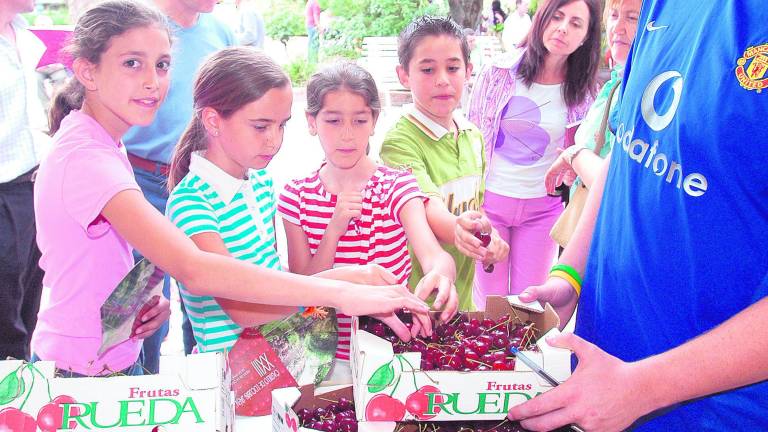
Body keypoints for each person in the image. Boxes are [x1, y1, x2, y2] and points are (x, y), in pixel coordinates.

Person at [32, 0, 431, 378]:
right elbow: (197, 270)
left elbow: (97, 258)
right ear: (87, 71)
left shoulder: (105, 143)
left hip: (111, 353)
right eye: (132, 64)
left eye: (163, 64)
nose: (152, 82)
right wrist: (340, 289)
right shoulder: (88, 159)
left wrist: (131, 305)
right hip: (78, 368)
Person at [507, 0, 768, 430]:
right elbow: (628, 152)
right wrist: (570, 274)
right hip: (598, 384)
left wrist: (642, 386)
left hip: (707, 413)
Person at [278, 61, 458, 366]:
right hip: (325, 360)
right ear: (311, 122)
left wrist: (441, 275)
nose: (347, 135)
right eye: (333, 121)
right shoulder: (296, 195)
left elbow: (434, 255)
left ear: (374, 120)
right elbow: (304, 287)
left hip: (389, 350)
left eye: (359, 121)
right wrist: (333, 230)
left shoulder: (396, 186)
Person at [122, 0, 235, 371]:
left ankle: (203, 394)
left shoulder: (220, 32)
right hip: (139, 187)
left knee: (207, 305)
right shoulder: (139, 30)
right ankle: (145, 392)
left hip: (203, 181)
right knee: (141, 309)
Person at [466, 0, 601, 309]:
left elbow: (582, 156)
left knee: (530, 305)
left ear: (586, 37)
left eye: (576, 23)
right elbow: (473, 139)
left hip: (543, 211)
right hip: (491, 207)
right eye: (557, 16)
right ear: (542, 18)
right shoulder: (498, 72)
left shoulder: (586, 94)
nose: (563, 28)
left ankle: (523, 359)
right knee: (490, 305)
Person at [381, 16, 509, 312]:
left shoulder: (473, 136)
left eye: (453, 68)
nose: (442, 79)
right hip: (414, 297)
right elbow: (428, 207)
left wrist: (488, 241)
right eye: (427, 69)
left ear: (468, 71)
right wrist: (460, 231)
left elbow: (477, 209)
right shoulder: (399, 143)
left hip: (461, 296)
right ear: (403, 75)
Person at [544, 0, 641, 201]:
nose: (618, 28)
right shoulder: (614, 84)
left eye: (632, 18)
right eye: (614, 16)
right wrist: (577, 168)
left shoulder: (641, 95)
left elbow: (615, 183)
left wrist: (574, 156)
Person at [0, 0, 48, 361]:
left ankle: (19, 405)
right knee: (6, 321)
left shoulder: (23, 37)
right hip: (5, 189)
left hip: (33, 184)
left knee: (28, 308)